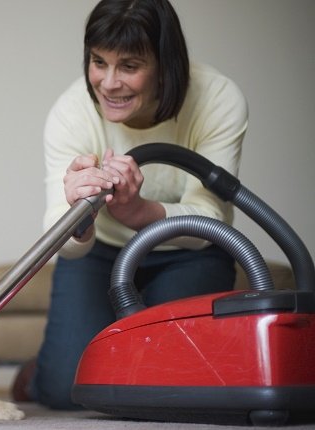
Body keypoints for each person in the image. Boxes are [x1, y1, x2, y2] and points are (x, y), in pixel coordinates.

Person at [12, 0, 248, 409]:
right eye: (98, 62)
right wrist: (78, 215)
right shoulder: (71, 114)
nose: (108, 83)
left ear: (165, 64)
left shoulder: (218, 100)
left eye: (130, 66)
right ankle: (43, 371)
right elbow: (61, 238)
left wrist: (139, 212)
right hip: (98, 252)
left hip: (188, 254)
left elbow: (211, 218)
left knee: (173, 383)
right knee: (67, 390)